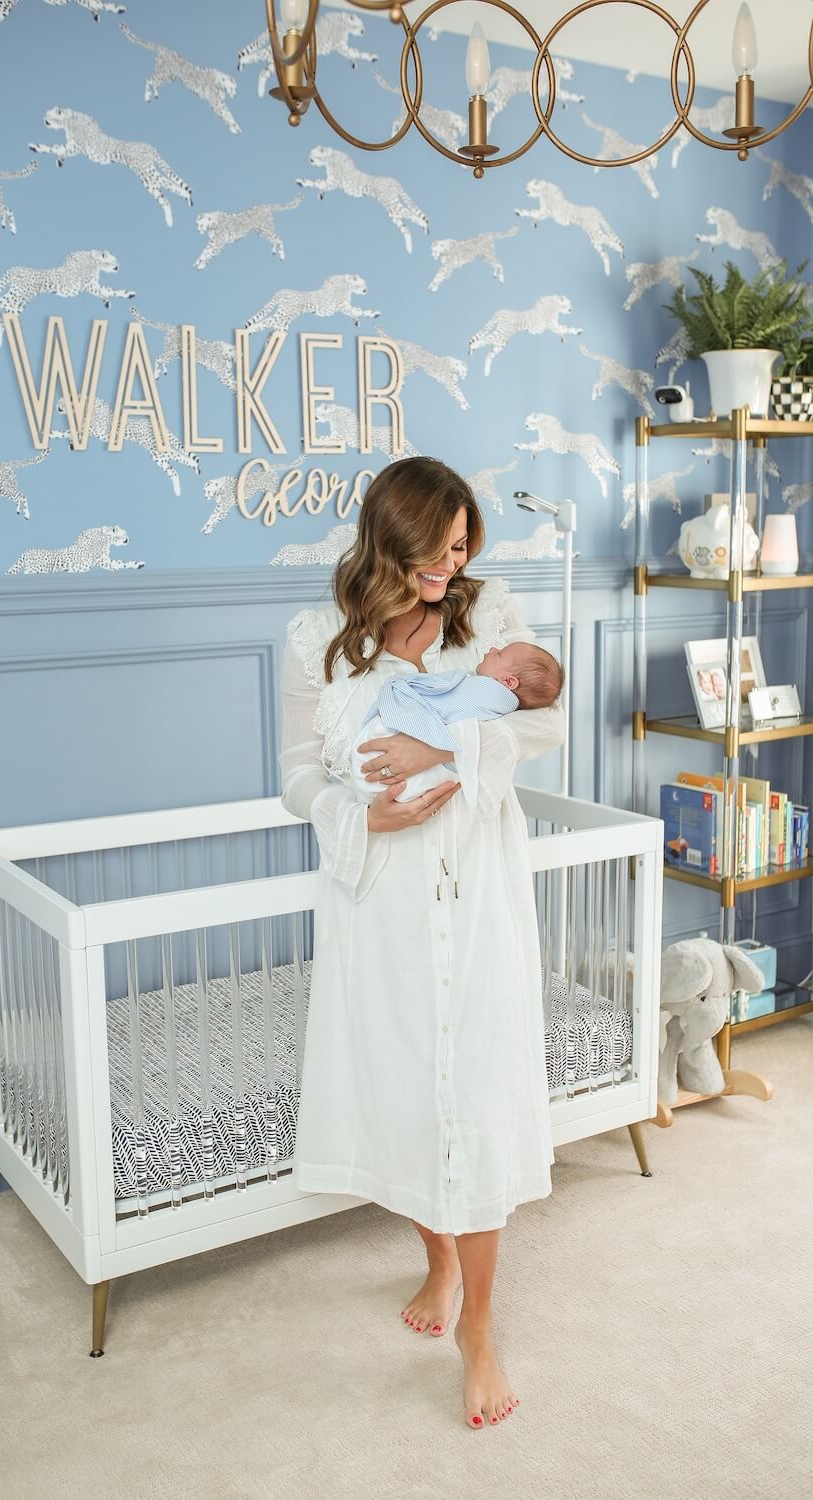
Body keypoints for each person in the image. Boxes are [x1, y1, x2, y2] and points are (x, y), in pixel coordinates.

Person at [278, 455, 566, 1430]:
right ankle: (438, 1261)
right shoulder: (316, 636)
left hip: (474, 891)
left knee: (474, 1102)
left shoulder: (490, 618)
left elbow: (541, 724)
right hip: (380, 902)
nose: (454, 563)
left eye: (463, 545)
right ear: (390, 544)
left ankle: (480, 1329)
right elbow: (292, 772)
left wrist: (436, 752)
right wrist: (360, 821)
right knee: (404, 1092)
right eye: (438, 550)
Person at [349, 640, 565, 804]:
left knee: (381, 736)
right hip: (409, 789)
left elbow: (448, 705)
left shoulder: (488, 692)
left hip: (415, 773)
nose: (491, 649)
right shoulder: (492, 694)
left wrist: (437, 748)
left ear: (508, 682)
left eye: (499, 654)